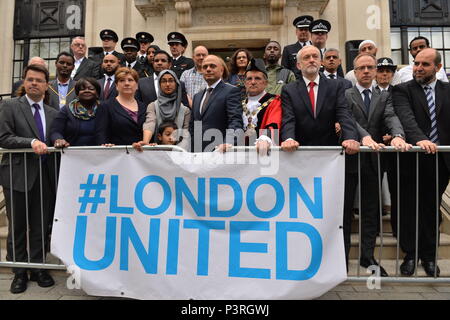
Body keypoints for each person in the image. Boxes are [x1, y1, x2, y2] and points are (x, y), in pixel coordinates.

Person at [343, 54, 410, 276]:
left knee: (371, 210)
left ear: (374, 71)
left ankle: (367, 255)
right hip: (350, 160)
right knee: (345, 211)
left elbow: (391, 116)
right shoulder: (346, 94)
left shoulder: (384, 96)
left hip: (374, 159)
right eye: (361, 68)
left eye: (370, 67)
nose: (366, 71)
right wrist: (365, 137)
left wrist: (398, 134)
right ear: (354, 71)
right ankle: (342, 256)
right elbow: (349, 121)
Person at [0, 64, 59, 294]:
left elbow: (57, 139)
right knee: (17, 226)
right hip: (17, 175)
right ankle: (18, 271)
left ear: (47, 86)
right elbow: (4, 137)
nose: (34, 83)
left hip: (45, 178)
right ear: (24, 82)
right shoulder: (10, 106)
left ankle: (38, 267)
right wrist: (30, 143)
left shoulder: (53, 113)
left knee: (40, 226)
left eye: (39, 80)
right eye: (30, 79)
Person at [393, 48, 450, 277]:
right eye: (416, 63)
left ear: (437, 67)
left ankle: (429, 256)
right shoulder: (402, 90)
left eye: (424, 64)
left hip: (441, 160)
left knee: (430, 209)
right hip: (413, 158)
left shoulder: (448, 90)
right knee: (409, 209)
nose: (418, 68)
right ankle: (410, 254)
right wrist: (421, 140)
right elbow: (406, 118)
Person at [280, 45, 359, 154]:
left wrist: (350, 137)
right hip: (299, 151)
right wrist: (288, 139)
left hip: (330, 151)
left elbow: (344, 114)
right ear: (298, 65)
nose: (311, 60)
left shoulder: (336, 86)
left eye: (315, 56)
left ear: (321, 62)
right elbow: (288, 118)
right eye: (306, 57)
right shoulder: (289, 90)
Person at [190, 55, 243, 152]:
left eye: (212, 66)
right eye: (205, 67)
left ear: (222, 70)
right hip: (198, 154)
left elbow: (235, 120)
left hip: (221, 152)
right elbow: (192, 125)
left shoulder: (231, 91)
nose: (208, 69)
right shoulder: (197, 97)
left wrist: (228, 143)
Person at [133, 70, 191, 151]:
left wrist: (177, 151)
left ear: (176, 84)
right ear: (159, 84)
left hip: (179, 153)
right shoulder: (153, 106)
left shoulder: (185, 110)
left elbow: (185, 135)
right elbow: (150, 123)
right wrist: (145, 142)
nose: (167, 84)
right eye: (163, 81)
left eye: (171, 80)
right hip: (157, 151)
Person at [95, 67, 146, 145]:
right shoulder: (105, 106)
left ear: (137, 85)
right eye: (122, 80)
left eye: (130, 80)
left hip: (141, 154)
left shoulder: (144, 106)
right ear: (116, 85)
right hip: (116, 154)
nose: (126, 83)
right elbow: (101, 133)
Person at [242, 58, 283, 150]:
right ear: (245, 83)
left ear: (266, 83)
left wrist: (265, 139)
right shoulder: (239, 103)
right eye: (249, 79)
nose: (253, 82)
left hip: (265, 152)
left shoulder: (274, 101)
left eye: (257, 78)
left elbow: (273, 123)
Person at [50, 77, 101, 147]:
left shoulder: (104, 109)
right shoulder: (66, 110)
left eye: (91, 89)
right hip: (72, 154)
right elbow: (56, 131)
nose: (87, 91)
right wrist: (58, 139)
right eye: (82, 89)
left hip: (100, 154)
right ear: (77, 93)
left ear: (97, 93)